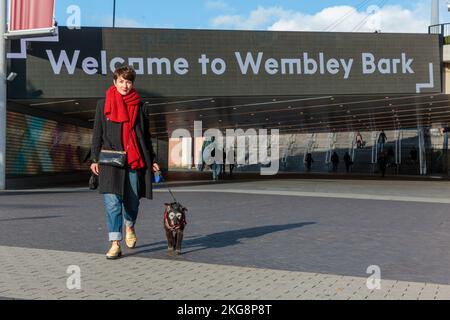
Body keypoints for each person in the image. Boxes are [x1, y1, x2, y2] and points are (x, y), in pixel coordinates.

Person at [90, 66, 160, 260]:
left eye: (128, 82)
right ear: (115, 82)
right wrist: (95, 158)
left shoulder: (141, 106)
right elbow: (97, 133)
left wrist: (152, 160)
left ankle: (130, 225)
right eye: (121, 81)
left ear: (132, 83)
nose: (125, 85)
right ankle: (115, 243)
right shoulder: (102, 104)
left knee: (132, 201)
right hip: (110, 161)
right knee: (112, 203)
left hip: (133, 160)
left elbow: (146, 136)